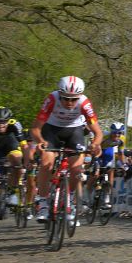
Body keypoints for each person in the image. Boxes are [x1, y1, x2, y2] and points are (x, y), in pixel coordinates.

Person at [30, 76, 103, 223]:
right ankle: (43, 202)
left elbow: (98, 132)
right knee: (46, 162)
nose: (69, 103)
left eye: (74, 99)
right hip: (51, 130)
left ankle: (69, 201)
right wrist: (40, 141)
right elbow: (35, 128)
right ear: (59, 94)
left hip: (74, 131)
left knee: (76, 169)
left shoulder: (85, 103)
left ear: (79, 97)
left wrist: (95, 144)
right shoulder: (52, 99)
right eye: (65, 98)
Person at [94, 122, 126, 207]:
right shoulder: (104, 136)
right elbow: (96, 148)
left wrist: (124, 164)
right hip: (99, 151)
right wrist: (95, 159)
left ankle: (107, 198)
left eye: (119, 133)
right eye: (114, 132)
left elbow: (120, 153)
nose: (117, 135)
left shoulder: (122, 139)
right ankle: (88, 194)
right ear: (111, 132)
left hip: (108, 152)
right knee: (95, 173)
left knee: (110, 171)